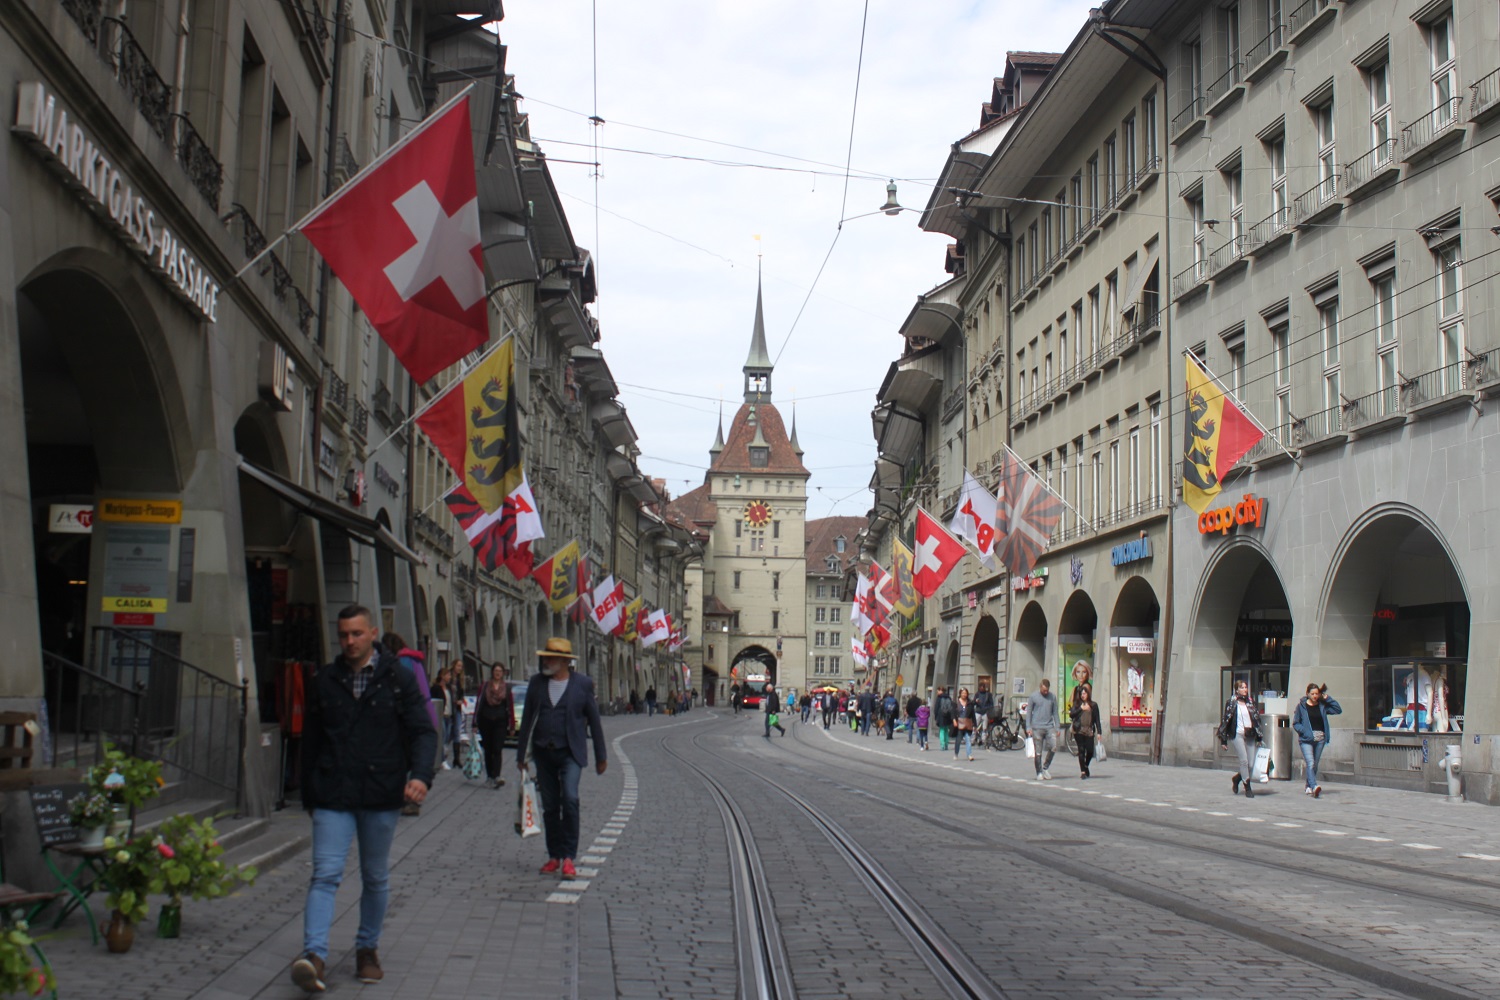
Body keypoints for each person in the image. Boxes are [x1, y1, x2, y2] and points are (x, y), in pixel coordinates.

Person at [290, 606, 436, 993]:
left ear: (373, 633)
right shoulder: (325, 679)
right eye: (343, 635)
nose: (349, 642)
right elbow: (312, 742)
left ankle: (367, 949)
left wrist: (421, 776)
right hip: (332, 793)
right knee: (325, 874)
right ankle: (314, 955)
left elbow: (423, 732)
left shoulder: (398, 679)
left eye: (356, 634)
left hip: (380, 793)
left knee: (375, 876)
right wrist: (308, 793)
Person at [514, 638, 608, 881]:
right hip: (543, 751)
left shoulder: (582, 685)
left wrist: (601, 756)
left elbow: (594, 721)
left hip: (570, 753)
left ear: (565, 661)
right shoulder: (537, 683)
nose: (546, 660)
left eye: (551, 657)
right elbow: (527, 720)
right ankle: (554, 855)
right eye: (545, 656)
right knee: (551, 806)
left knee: (570, 798)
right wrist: (521, 754)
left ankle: (568, 857)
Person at [382, 634, 438, 817]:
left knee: (406, 752)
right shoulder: (416, 661)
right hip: (424, 708)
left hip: (407, 713)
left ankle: (409, 797)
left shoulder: (401, 664)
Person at [1291, 683, 1342, 798]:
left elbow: (1338, 710)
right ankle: (1314, 786)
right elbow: (1296, 723)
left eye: (1317, 694)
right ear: (1307, 694)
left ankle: (1308, 786)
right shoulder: (1301, 706)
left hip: (1320, 739)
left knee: (1315, 764)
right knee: (1310, 762)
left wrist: (1328, 698)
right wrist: (1304, 731)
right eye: (1312, 694)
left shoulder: (1322, 706)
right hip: (1306, 739)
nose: (1315, 696)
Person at [1218, 678, 1263, 799]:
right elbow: (1226, 720)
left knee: (1251, 764)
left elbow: (1257, 720)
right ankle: (1247, 787)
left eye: (1245, 687)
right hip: (1237, 733)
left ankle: (1237, 778)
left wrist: (1259, 736)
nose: (1244, 690)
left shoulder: (1250, 702)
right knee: (1244, 761)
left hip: (1250, 734)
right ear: (1236, 689)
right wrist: (1223, 739)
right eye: (1242, 687)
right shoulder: (1232, 702)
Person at [474, 664, 514, 789]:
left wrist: (512, 725)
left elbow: (510, 707)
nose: (497, 673)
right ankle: (489, 776)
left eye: (500, 671)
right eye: (495, 671)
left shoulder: (506, 688)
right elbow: (479, 704)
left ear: (503, 673)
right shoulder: (485, 686)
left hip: (500, 722)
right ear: (492, 672)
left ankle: (496, 775)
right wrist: (475, 723)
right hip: (486, 721)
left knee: (497, 749)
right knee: (488, 749)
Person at [1025, 679, 1061, 779]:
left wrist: (1057, 727)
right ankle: (1039, 772)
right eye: (1044, 690)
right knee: (1038, 751)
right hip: (1037, 727)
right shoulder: (1033, 697)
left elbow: (1055, 712)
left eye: (1047, 690)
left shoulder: (1052, 697)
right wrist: (1028, 727)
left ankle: (1045, 767)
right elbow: (1029, 713)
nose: (1045, 692)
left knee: (1053, 747)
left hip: (1049, 726)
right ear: (1040, 687)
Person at [1071, 683, 1102, 779]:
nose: (1083, 695)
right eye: (1081, 694)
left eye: (1085, 693)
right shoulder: (1077, 705)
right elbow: (1072, 715)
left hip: (1089, 730)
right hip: (1078, 730)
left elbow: (1097, 719)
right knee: (1081, 750)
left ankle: (1086, 765)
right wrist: (1081, 708)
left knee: (1090, 751)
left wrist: (1099, 732)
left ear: (1088, 694)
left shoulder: (1093, 705)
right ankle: (1083, 772)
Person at [953, 688, 977, 760]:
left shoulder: (969, 703)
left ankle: (969, 755)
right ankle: (956, 754)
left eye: (965, 693)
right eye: (963, 693)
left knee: (968, 739)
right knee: (958, 740)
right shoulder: (956, 702)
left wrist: (974, 724)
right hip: (959, 723)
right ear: (960, 694)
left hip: (967, 723)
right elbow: (953, 712)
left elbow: (973, 714)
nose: (964, 694)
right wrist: (954, 720)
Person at [932, 686, 954, 751]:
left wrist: (936, 716)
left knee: (941, 730)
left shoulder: (939, 698)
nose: (937, 692)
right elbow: (951, 707)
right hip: (947, 715)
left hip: (941, 715)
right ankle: (946, 745)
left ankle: (942, 745)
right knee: (946, 730)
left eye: (938, 691)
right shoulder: (949, 697)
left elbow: (936, 708)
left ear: (941, 691)